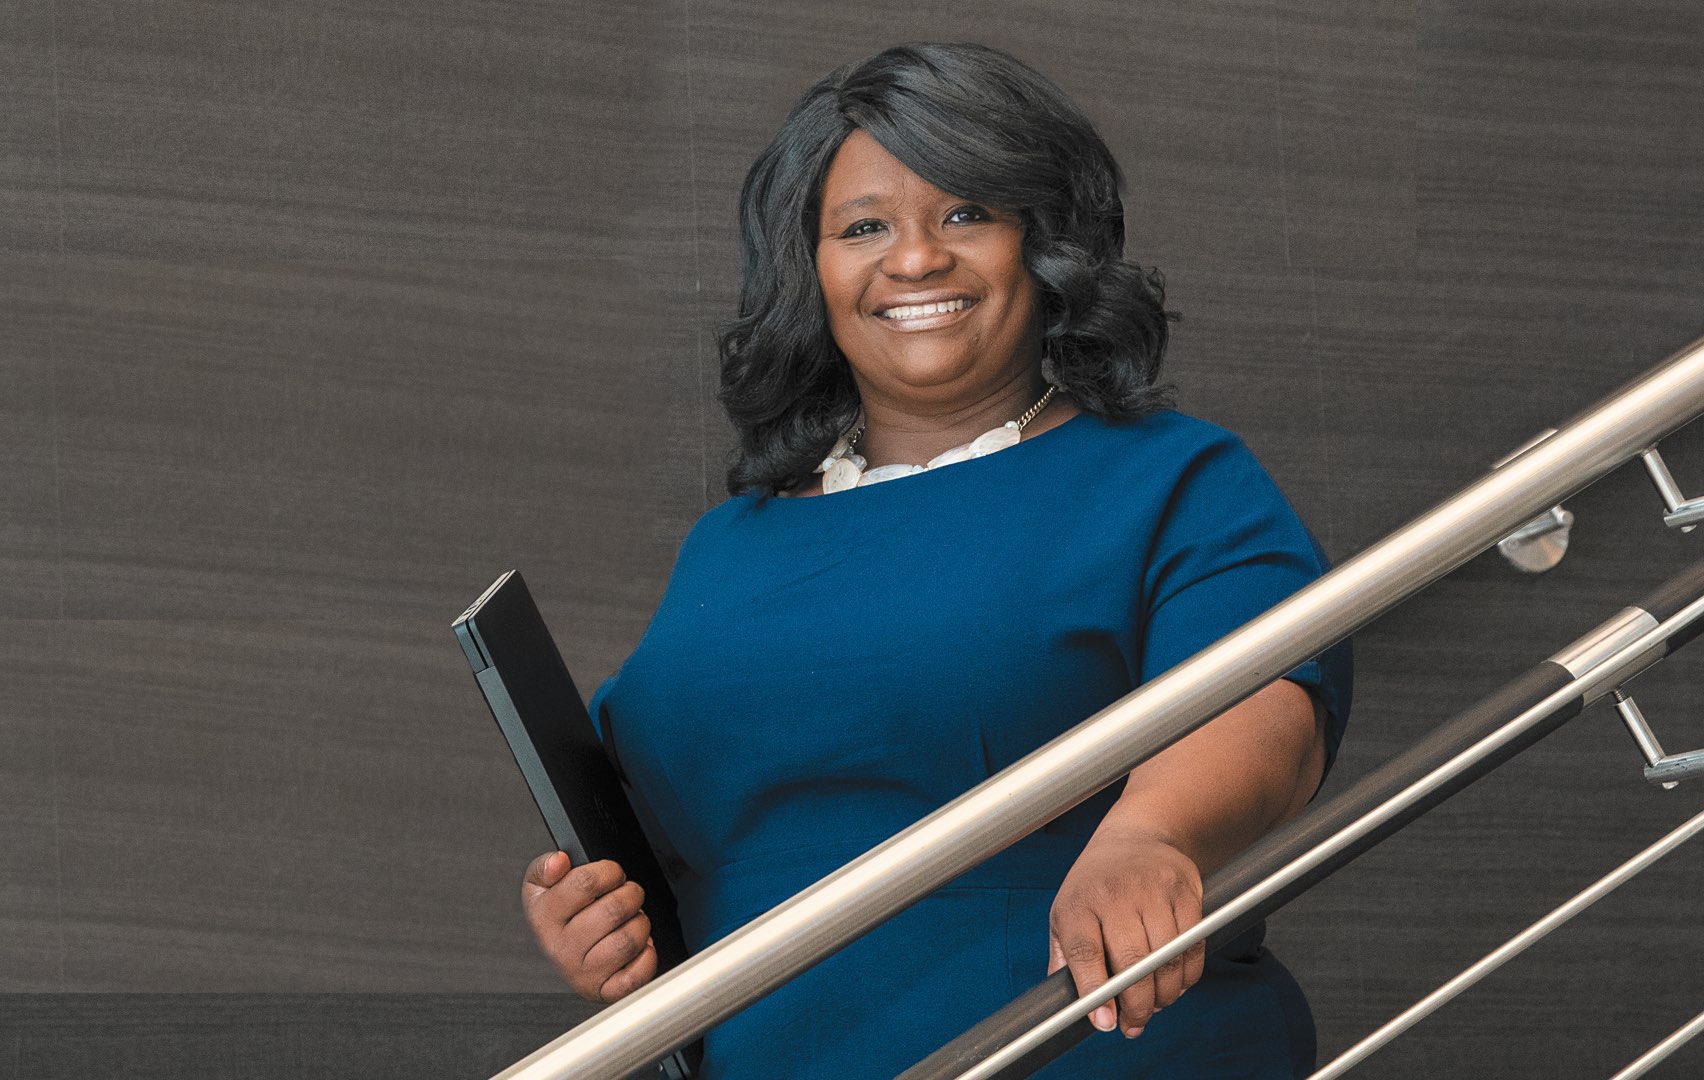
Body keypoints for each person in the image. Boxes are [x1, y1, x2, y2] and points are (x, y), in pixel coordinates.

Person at [519, 42, 1353, 1079]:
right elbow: (683, 837)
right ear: (809, 271)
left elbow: (1269, 696)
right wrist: (600, 920)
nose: (914, 260)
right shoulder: (731, 542)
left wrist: (1155, 836)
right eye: (863, 227)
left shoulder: (1170, 478)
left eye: (966, 214)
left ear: (1042, 244)